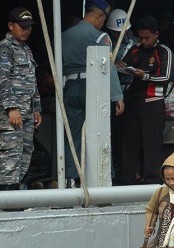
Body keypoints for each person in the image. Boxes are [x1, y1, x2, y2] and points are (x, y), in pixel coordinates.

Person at [61, 0, 125, 187]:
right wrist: (117, 95)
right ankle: (103, 179)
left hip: (70, 86)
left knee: (72, 136)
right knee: (100, 134)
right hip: (93, 87)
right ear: (99, 16)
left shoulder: (64, 35)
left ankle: (72, 178)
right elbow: (109, 66)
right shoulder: (100, 37)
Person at [117, 15, 174, 184]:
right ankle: (127, 181)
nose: (143, 41)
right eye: (141, 37)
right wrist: (121, 66)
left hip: (153, 101)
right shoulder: (135, 49)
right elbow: (123, 65)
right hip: (133, 101)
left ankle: (152, 181)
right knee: (129, 142)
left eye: (147, 38)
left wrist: (144, 76)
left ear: (156, 34)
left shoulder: (164, 51)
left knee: (152, 143)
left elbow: (166, 77)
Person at [0, 7, 42, 190]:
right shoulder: (4, 48)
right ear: (11, 26)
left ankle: (17, 192)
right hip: (11, 111)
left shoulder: (26, 49)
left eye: (29, 27)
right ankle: (9, 196)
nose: (26, 30)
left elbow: (32, 81)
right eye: (22, 27)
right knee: (11, 153)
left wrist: (36, 108)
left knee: (26, 151)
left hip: (27, 111)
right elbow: (3, 80)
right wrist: (11, 108)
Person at [106, 8, 136, 185]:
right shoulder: (105, 42)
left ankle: (128, 177)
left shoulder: (136, 44)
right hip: (111, 96)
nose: (120, 35)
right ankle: (114, 175)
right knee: (113, 137)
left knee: (129, 137)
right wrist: (113, 65)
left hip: (130, 92)